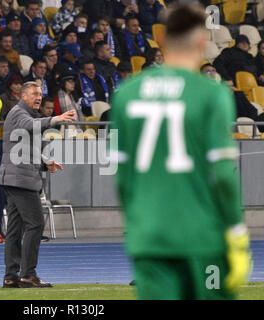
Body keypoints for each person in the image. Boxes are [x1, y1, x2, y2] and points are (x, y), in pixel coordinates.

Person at [110, 3, 251, 300]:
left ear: (160, 39)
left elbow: (122, 176)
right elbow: (223, 175)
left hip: (150, 237)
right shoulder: (211, 94)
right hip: (202, 235)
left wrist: (138, 224)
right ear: (201, 42)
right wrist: (236, 233)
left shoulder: (126, 94)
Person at [0, 81, 77, 288]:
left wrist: (45, 161)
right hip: (20, 179)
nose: (39, 97)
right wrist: (56, 118)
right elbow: (29, 126)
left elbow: (24, 147)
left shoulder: (26, 115)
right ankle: (28, 274)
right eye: (34, 93)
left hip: (16, 177)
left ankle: (11, 276)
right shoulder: (18, 113)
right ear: (23, 96)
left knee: (15, 229)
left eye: (40, 94)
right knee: (36, 224)